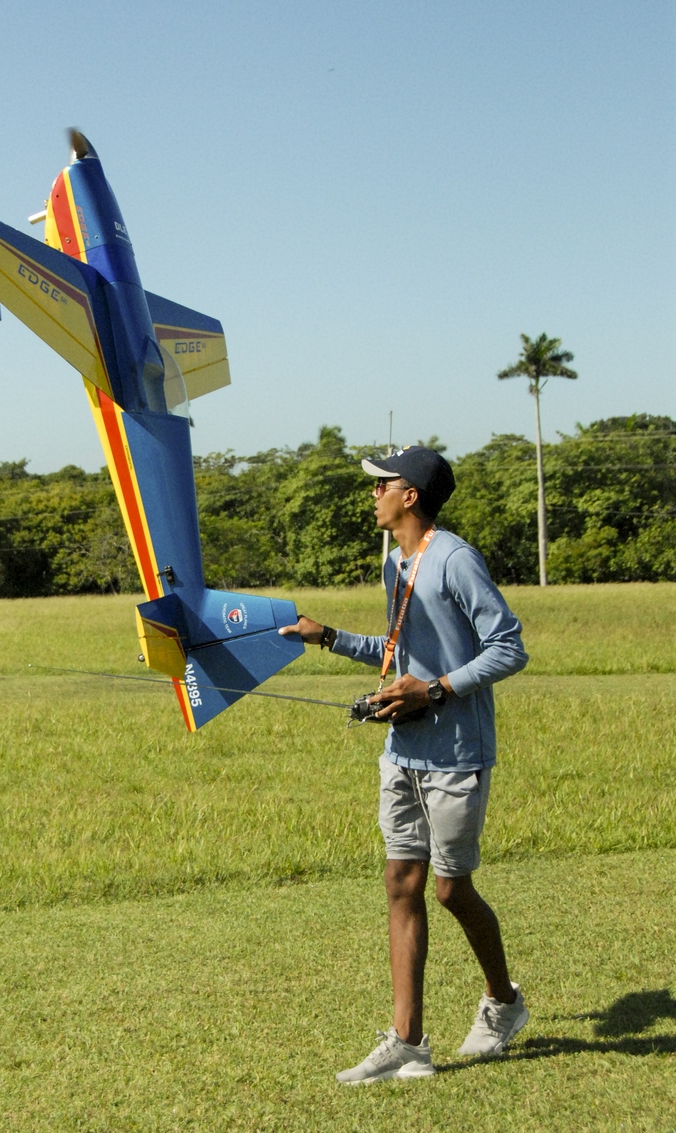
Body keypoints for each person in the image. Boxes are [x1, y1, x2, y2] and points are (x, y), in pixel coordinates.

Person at [279, 445, 529, 1084]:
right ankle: (408, 1042)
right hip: (404, 750)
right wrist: (328, 637)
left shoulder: (454, 559)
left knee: (451, 888)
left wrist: (436, 690)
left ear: (410, 495)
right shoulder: (397, 563)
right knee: (401, 883)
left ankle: (504, 1002)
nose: (373, 493)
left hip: (456, 755)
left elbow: (508, 648)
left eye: (381, 484)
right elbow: (398, 655)